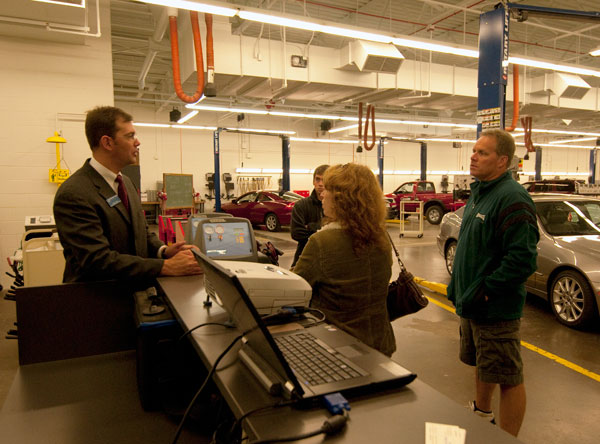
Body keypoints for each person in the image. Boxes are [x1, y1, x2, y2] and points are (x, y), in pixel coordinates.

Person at [447, 129, 539, 437]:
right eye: (474, 150)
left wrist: (487, 291)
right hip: (473, 303)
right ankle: (482, 413)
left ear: (502, 161)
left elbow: (522, 259)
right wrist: (459, 287)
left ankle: (507, 439)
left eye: (482, 153)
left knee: (508, 376)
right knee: (484, 364)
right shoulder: (481, 192)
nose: (473, 156)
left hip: (495, 309)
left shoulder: (512, 197)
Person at [53, 106, 202, 284]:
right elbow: (97, 260)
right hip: (98, 297)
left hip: (133, 290)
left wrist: (163, 251)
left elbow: (142, 233)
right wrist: (166, 266)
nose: (137, 142)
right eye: (130, 136)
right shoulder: (75, 193)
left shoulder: (126, 183)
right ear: (107, 143)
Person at [292, 163, 395, 356]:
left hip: (339, 347)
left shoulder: (322, 242)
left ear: (343, 199)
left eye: (328, 190)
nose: (322, 194)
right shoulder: (381, 237)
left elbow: (294, 289)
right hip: (381, 342)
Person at [290, 164, 329, 267]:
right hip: (304, 259)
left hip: (329, 260)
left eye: (324, 180)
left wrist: (311, 226)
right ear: (313, 181)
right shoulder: (301, 205)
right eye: (317, 179)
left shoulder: (336, 206)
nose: (320, 184)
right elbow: (296, 233)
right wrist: (325, 230)